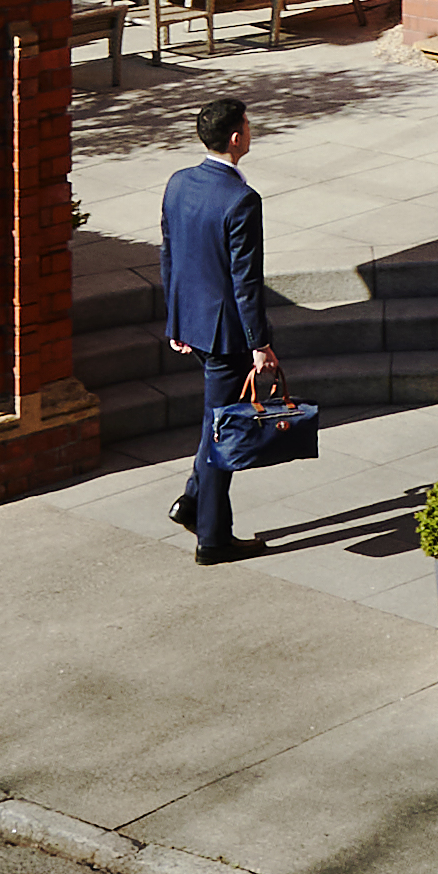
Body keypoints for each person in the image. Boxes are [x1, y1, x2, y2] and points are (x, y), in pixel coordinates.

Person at [159, 93, 283, 563]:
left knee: (217, 421)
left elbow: (170, 255)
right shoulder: (241, 200)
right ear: (236, 138)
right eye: (249, 126)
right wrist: (260, 345)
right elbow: (245, 282)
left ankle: (192, 499)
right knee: (221, 433)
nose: (251, 131)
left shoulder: (178, 183)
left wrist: (175, 320)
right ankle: (212, 537)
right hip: (228, 336)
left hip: (193, 322)